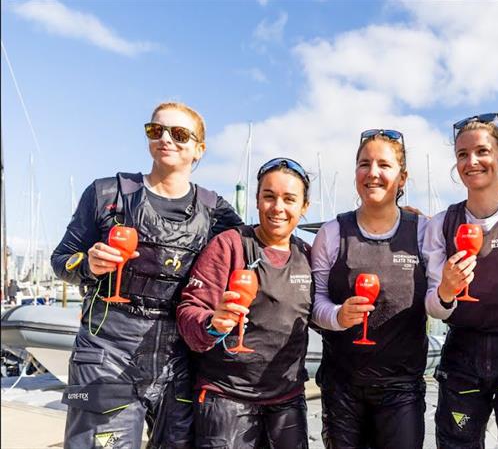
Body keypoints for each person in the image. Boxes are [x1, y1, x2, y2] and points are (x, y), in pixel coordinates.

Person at [50, 102, 243, 448]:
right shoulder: (105, 193)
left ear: (199, 149)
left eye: (179, 134)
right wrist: (87, 265)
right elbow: (60, 259)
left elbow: (252, 256)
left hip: (179, 358)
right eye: (156, 131)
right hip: (105, 352)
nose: (166, 138)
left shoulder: (217, 212)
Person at [424, 113, 498, 449]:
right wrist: (446, 290)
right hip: (462, 355)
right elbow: (435, 309)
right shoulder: (441, 224)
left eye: (482, 152)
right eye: (462, 154)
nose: (471, 161)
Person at [176, 157, 313, 449]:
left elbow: (329, 312)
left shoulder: (308, 256)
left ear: (304, 207)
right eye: (269, 196)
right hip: (226, 397)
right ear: (257, 200)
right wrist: (212, 324)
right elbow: (189, 311)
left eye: (289, 199)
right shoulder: (230, 244)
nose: (278, 207)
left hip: (287, 400)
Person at [311, 129, 428, 449]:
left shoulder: (423, 232)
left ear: (402, 177)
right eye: (364, 164)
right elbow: (315, 302)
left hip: (402, 390)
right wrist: (338, 315)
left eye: (384, 165)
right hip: (342, 387)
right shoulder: (332, 233)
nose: (373, 173)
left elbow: (439, 302)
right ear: (355, 174)